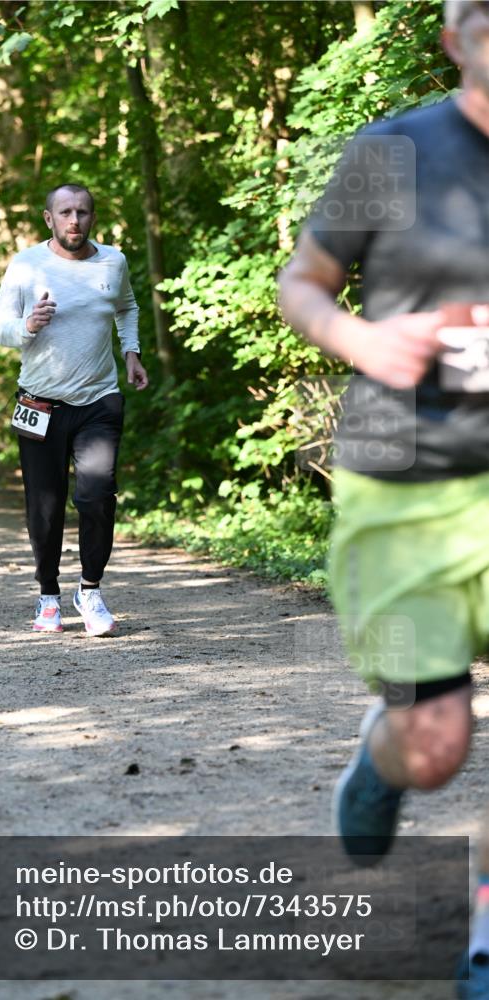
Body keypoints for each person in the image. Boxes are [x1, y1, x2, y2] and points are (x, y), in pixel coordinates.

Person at [278, 2, 488, 996]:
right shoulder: (389, 150)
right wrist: (361, 342)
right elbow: (304, 282)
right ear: (454, 37)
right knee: (432, 744)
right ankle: (381, 764)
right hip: (400, 487)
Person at [0, 183, 148, 637]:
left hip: (99, 399)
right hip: (40, 402)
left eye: (82, 212)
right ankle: (47, 596)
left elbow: (128, 306)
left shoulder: (112, 261)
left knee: (96, 496)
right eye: (65, 212)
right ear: (49, 219)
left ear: (92, 217)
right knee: (45, 504)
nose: (74, 220)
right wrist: (27, 325)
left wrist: (131, 351)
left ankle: (90, 590)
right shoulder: (25, 266)